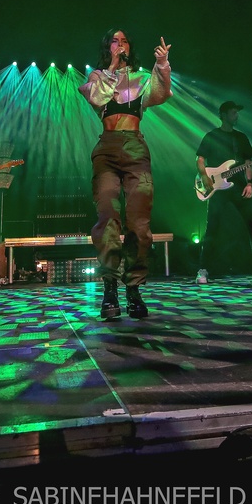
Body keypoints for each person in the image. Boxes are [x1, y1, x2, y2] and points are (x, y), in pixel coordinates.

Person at [78, 28, 172, 320]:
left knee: (139, 222)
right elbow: (97, 98)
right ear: (107, 47)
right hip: (107, 148)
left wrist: (162, 64)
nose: (120, 45)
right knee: (107, 214)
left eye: (125, 41)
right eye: (115, 41)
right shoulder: (97, 76)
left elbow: (160, 94)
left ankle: (133, 288)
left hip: (135, 148)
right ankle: (110, 287)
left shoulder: (141, 78)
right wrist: (112, 67)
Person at [196, 101, 252, 286]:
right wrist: (205, 177)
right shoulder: (212, 136)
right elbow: (200, 159)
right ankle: (203, 269)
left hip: (239, 187)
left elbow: (248, 163)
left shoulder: (241, 138)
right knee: (212, 229)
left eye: (237, 113)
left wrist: (250, 184)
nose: (236, 116)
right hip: (216, 187)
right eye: (233, 113)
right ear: (223, 115)